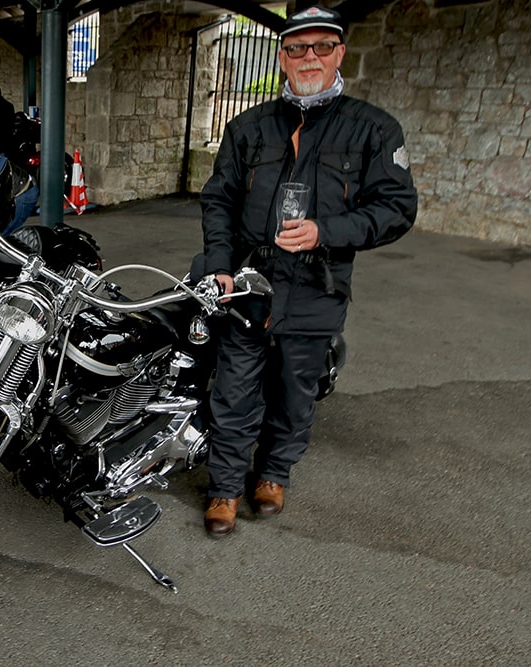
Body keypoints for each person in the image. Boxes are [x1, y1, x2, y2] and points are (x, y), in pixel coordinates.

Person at [198, 6, 417, 536]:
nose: (309, 58)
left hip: (318, 285)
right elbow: (218, 202)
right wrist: (219, 268)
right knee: (233, 387)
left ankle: (273, 473)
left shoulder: (373, 129)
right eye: (297, 48)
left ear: (339, 53)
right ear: (282, 57)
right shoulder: (247, 127)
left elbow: (396, 209)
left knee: (296, 390)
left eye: (321, 47)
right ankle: (225, 486)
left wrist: (327, 231)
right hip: (248, 282)